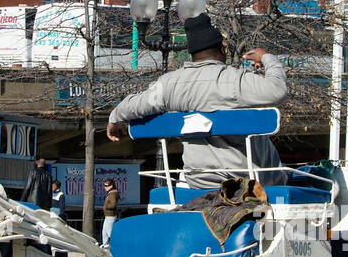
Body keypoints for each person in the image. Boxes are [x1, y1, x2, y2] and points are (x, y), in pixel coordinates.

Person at [107, 13, 287, 189]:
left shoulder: (170, 84)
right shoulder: (235, 80)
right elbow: (277, 90)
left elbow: (134, 105)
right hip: (244, 181)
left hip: (197, 180)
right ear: (222, 49)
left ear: (191, 53)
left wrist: (115, 118)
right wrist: (267, 58)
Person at [100, 179, 119, 245]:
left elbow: (113, 205)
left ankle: (116, 243)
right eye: (104, 185)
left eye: (106, 185)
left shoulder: (113, 193)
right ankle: (105, 245)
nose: (105, 187)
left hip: (111, 215)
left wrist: (105, 207)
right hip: (108, 215)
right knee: (104, 232)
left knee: (109, 232)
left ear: (111, 186)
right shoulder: (111, 193)